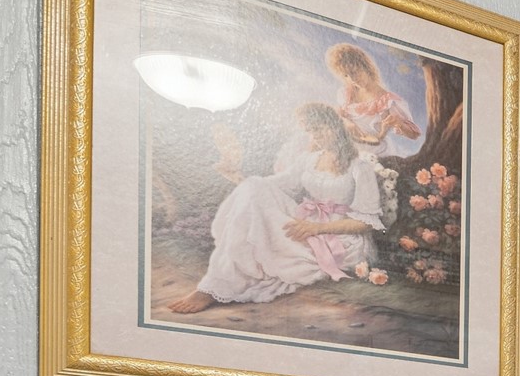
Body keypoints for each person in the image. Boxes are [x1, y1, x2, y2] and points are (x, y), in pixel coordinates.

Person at [167, 102, 385, 314]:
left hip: (339, 237)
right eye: (310, 131)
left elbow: (366, 222)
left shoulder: (360, 167)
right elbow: (275, 185)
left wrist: (315, 229)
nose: (315, 136)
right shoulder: (309, 159)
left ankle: (215, 285)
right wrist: (239, 178)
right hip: (307, 221)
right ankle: (214, 284)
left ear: (335, 127)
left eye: (318, 129)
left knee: (267, 232)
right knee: (254, 186)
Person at [326, 41, 420, 156]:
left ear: (365, 66)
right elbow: (340, 114)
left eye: (354, 72)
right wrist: (346, 121)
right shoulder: (345, 93)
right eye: (346, 75)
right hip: (352, 149)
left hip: (377, 151)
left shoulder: (389, 101)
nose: (352, 79)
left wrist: (399, 122)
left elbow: (414, 135)